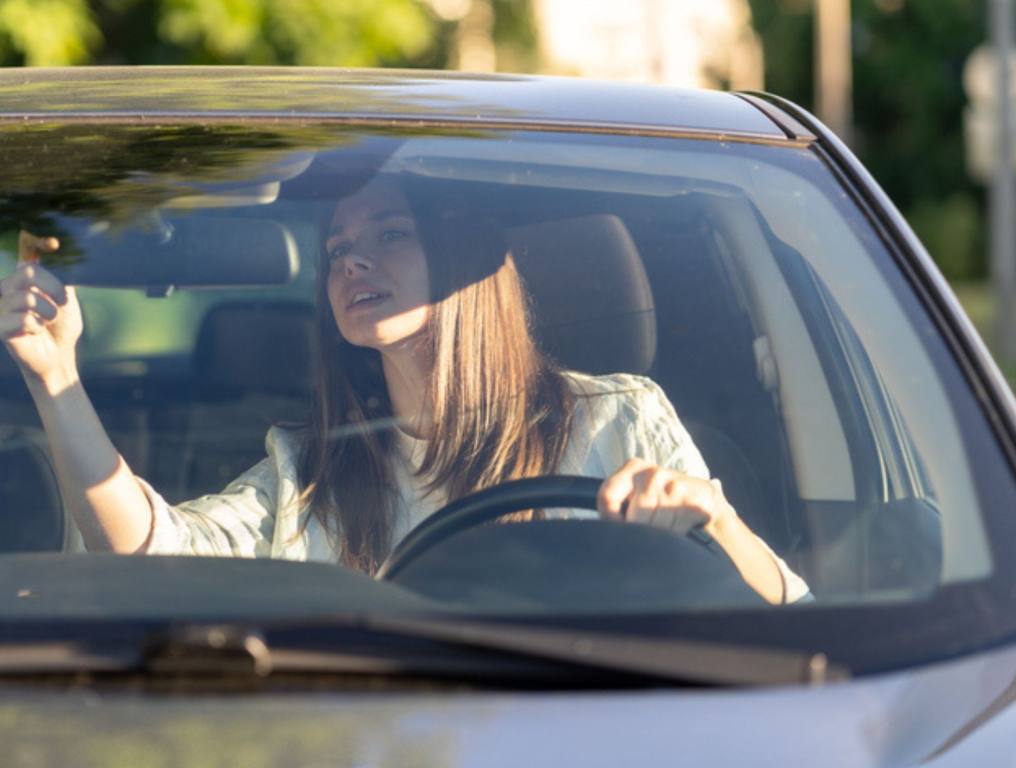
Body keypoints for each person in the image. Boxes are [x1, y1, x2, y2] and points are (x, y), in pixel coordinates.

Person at [0, 173, 810, 604]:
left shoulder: (614, 419)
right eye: (339, 248)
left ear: (463, 258)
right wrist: (57, 376)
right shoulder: (309, 472)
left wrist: (716, 524)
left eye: (388, 234)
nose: (352, 261)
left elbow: (787, 613)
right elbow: (149, 554)